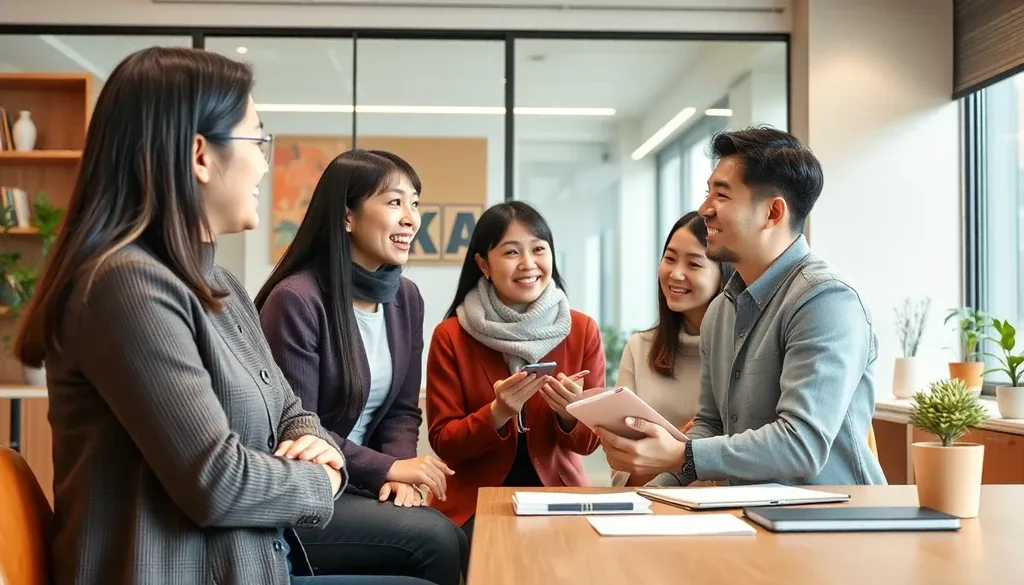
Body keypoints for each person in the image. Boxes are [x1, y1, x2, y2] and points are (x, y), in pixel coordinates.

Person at [12, 46, 430, 585]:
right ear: (200, 155)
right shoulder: (127, 286)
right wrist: (322, 480)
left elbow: (292, 411)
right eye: (257, 140)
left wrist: (317, 447)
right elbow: (218, 480)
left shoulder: (223, 286)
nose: (264, 161)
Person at [596, 125, 886, 488]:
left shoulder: (826, 301)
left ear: (772, 213)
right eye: (708, 193)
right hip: (749, 519)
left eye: (722, 195)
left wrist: (679, 454)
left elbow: (801, 445)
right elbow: (710, 425)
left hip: (832, 526)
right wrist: (646, 497)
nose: (704, 209)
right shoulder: (721, 311)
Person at [256, 149, 467, 585]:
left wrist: (401, 475)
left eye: (415, 203)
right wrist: (387, 470)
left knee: (453, 534)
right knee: (439, 539)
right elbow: (297, 427)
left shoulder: (406, 298)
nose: (411, 218)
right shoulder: (297, 300)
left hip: (363, 485)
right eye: (394, 202)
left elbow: (402, 411)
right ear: (347, 217)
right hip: (309, 491)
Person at [425, 201, 604, 545]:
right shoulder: (451, 335)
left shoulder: (581, 329)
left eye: (539, 249)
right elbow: (444, 443)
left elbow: (590, 442)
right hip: (475, 504)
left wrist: (570, 416)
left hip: (561, 496)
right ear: (483, 264)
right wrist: (497, 413)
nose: (528, 264)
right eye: (511, 252)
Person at [610, 211, 732, 487]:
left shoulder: (743, 351)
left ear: (723, 277)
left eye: (694, 264)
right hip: (652, 509)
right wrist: (670, 452)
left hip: (726, 513)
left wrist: (679, 453)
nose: (676, 274)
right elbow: (622, 475)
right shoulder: (640, 348)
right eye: (669, 258)